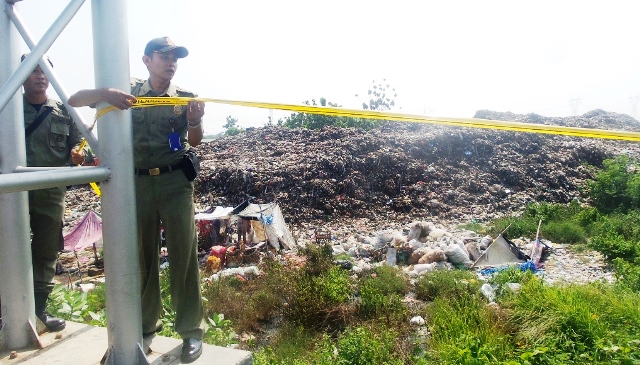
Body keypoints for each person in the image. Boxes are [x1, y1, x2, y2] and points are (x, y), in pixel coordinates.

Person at [68, 36, 205, 363]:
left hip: (174, 181)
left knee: (183, 255)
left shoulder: (185, 97)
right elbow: (75, 99)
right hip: (138, 183)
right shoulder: (125, 89)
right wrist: (105, 95)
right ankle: (146, 329)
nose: (171, 62)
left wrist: (195, 120)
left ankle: (190, 332)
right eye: (164, 56)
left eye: (175, 58)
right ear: (146, 60)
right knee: (144, 257)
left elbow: (195, 140)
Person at [21, 54, 86, 332]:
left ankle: (38, 310)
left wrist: (78, 155)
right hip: (13, 192)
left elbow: (80, 147)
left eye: (45, 70)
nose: (40, 75)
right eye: (33, 70)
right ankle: (8, 310)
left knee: (47, 250)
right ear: (21, 76)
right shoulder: (6, 108)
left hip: (50, 193)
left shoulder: (63, 111)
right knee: (8, 248)